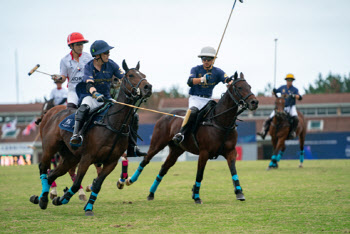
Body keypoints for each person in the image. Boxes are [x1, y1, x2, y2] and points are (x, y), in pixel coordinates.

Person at [70, 40, 147, 156]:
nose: (108, 55)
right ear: (97, 56)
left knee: (133, 115)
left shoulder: (111, 64)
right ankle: (76, 135)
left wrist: (136, 88)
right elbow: (89, 84)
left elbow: (125, 78)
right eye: (105, 53)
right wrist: (95, 94)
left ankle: (132, 147)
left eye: (108, 52)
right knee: (84, 108)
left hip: (106, 97)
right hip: (90, 96)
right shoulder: (88, 67)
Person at [172, 46, 233, 144]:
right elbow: (190, 82)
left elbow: (227, 80)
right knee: (192, 112)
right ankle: (181, 134)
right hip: (195, 98)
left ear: (213, 60)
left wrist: (231, 82)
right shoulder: (196, 69)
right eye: (204, 59)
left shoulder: (217, 72)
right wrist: (202, 79)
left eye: (209, 59)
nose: (206, 61)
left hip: (208, 100)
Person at [51, 32, 93, 109]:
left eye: (81, 44)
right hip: (73, 91)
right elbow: (63, 77)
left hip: (87, 90)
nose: (80, 47)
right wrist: (59, 78)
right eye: (77, 45)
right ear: (71, 46)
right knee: (70, 110)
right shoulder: (64, 60)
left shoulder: (88, 57)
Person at [257, 73, 302, 140]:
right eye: (288, 80)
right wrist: (274, 91)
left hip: (291, 107)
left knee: (296, 118)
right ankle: (264, 132)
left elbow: (300, 97)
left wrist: (294, 95)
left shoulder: (295, 89)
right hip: (281, 107)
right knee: (269, 118)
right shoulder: (282, 87)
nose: (289, 81)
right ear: (286, 80)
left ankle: (293, 132)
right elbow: (273, 93)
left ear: (292, 81)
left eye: (291, 80)